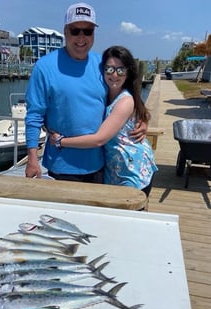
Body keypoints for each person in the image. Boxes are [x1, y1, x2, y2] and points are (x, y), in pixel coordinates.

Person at [25, 2, 147, 183]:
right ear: (65, 31)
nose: (81, 37)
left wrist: (142, 119)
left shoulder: (103, 65)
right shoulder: (44, 67)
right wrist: (32, 159)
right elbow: (34, 116)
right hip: (62, 166)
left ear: (93, 34)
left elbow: (125, 95)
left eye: (87, 31)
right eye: (75, 31)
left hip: (101, 162)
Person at [50, 46, 158, 197]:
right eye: (109, 69)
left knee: (128, 217)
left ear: (128, 72)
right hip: (114, 169)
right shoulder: (106, 94)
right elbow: (142, 112)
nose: (115, 75)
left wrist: (61, 141)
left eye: (121, 70)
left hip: (133, 170)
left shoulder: (125, 100)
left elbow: (99, 139)